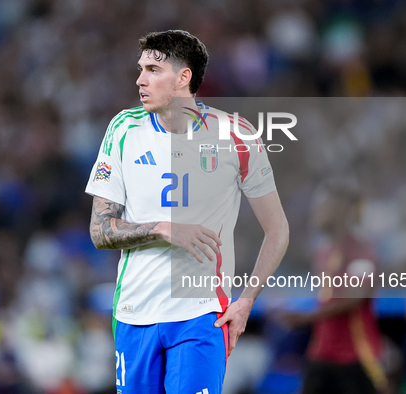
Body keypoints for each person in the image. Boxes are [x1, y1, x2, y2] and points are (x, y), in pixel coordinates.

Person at [85, 30, 289, 394]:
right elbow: (100, 231)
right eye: (140, 69)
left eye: (152, 69)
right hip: (134, 315)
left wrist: (246, 302)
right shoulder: (122, 130)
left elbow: (277, 230)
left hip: (201, 316)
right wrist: (163, 228)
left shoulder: (237, 136)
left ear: (183, 78)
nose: (140, 79)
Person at [283, 179, 386, 394]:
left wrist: (305, 318)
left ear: (341, 209)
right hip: (321, 353)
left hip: (356, 355)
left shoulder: (361, 250)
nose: (315, 211)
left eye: (323, 205)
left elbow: (356, 298)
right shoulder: (322, 251)